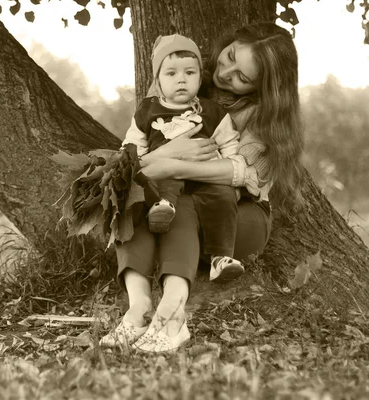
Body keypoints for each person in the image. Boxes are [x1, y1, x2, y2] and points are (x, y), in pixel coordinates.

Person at [100, 22, 304, 353]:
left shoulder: (266, 115)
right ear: (231, 40)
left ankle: (173, 317)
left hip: (239, 215)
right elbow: (133, 159)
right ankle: (137, 310)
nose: (226, 73)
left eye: (243, 78)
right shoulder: (186, 72)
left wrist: (172, 165)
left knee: (182, 204)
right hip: (176, 201)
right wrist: (166, 155)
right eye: (230, 57)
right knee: (133, 202)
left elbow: (241, 174)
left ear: (262, 86)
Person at [121, 33, 245, 282]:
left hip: (206, 177)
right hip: (166, 177)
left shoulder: (212, 112)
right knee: (161, 179)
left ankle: (220, 258)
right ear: (157, 80)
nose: (181, 80)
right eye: (171, 74)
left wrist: (232, 175)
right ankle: (162, 209)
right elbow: (131, 149)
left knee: (224, 198)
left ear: (200, 78)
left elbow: (230, 143)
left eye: (190, 73)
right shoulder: (147, 110)